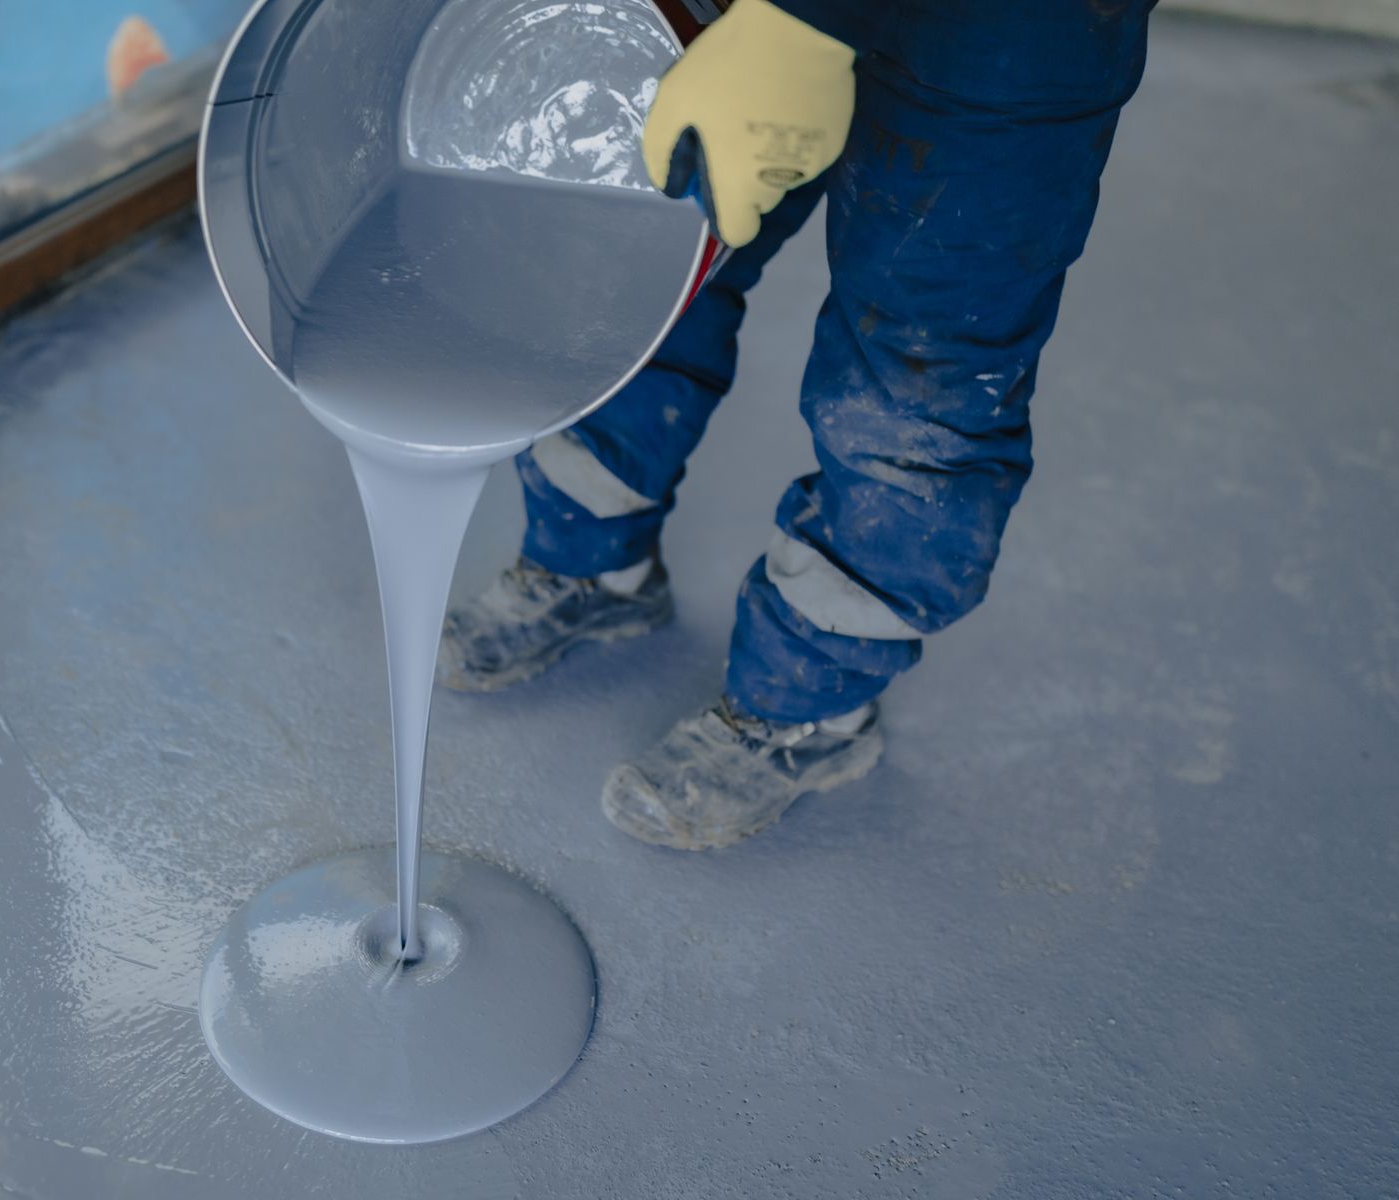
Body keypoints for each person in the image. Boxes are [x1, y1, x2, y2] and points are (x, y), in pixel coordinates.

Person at [438, 0, 1158, 850]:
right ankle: (593, 566)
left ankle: (812, 706)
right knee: (649, 261)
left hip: (1009, 33)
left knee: (919, 375)